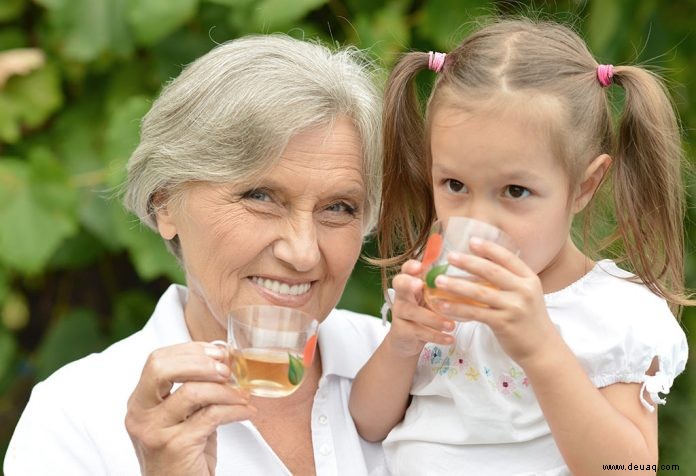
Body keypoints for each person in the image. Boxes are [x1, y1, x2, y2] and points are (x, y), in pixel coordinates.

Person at [5, 34, 389, 475]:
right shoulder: (78, 416)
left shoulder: (424, 368)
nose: (303, 253)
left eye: (339, 208)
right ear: (165, 203)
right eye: (261, 196)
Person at [349, 18, 690, 475]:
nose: (476, 219)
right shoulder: (441, 289)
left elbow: (630, 470)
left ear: (584, 187)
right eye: (454, 184)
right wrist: (402, 342)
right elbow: (368, 424)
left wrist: (540, 347)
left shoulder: (615, 313)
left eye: (514, 192)